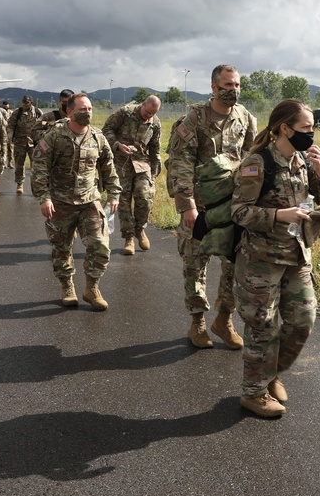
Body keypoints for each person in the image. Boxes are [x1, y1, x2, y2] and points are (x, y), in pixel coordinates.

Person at [231, 99, 320, 418]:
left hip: (296, 256)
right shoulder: (257, 163)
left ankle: (270, 372)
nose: (312, 134)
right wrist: (280, 215)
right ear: (285, 129)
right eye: (306, 128)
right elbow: (238, 212)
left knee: (303, 321)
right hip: (261, 261)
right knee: (261, 327)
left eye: (313, 128)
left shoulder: (305, 159)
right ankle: (253, 394)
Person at [168, 64, 257, 349]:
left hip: (233, 206)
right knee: (196, 265)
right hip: (202, 206)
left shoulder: (245, 117)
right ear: (213, 87)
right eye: (227, 85)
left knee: (234, 265)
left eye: (237, 85)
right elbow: (180, 164)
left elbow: (252, 156)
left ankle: (224, 320)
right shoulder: (194, 119)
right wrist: (187, 206)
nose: (233, 90)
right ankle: (198, 323)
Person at [32, 93, 121, 310]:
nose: (87, 113)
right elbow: (39, 166)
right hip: (61, 203)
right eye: (82, 109)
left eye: (90, 109)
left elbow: (109, 167)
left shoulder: (98, 137)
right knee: (62, 247)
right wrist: (44, 197)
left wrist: (114, 194)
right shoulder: (54, 136)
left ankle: (92, 288)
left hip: (90, 201)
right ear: (70, 111)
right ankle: (67, 286)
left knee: (100, 246)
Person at [102, 95, 162, 255]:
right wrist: (117, 145)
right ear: (143, 104)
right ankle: (128, 238)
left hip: (142, 164)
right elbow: (106, 130)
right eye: (147, 112)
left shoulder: (155, 123)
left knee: (144, 198)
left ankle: (140, 230)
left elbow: (155, 149)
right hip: (121, 163)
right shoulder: (124, 113)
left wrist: (154, 177)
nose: (149, 116)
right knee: (123, 201)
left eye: (152, 114)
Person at [11, 95, 43, 195]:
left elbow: (44, 126)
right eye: (23, 103)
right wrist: (9, 138)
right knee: (19, 164)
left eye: (27, 103)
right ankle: (20, 184)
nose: (25, 105)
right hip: (19, 142)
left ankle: (35, 186)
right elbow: (10, 125)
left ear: (31, 102)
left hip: (34, 143)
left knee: (35, 165)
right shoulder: (17, 112)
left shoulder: (38, 112)